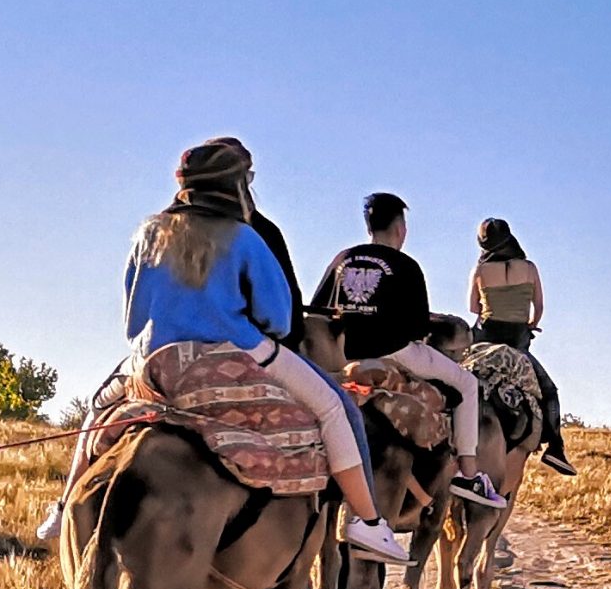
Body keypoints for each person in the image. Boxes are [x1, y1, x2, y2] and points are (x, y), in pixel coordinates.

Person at [123, 144, 410, 562]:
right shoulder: (243, 237)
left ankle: (63, 509)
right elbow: (279, 317)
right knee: (336, 408)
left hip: (155, 357)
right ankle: (367, 523)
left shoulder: (147, 234)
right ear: (236, 184)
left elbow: (132, 318)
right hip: (238, 348)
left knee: (99, 410)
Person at [309, 194, 507, 508]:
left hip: (344, 354)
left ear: (369, 226)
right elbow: (417, 327)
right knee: (467, 384)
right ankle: (468, 474)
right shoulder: (406, 265)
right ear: (400, 228)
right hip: (394, 352)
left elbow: (318, 312)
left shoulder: (343, 258)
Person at [468, 217, 574, 476]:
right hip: (517, 341)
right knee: (548, 390)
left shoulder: (480, 271)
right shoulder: (529, 268)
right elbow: (539, 306)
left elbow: (473, 308)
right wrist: (531, 323)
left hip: (487, 337)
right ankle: (555, 447)